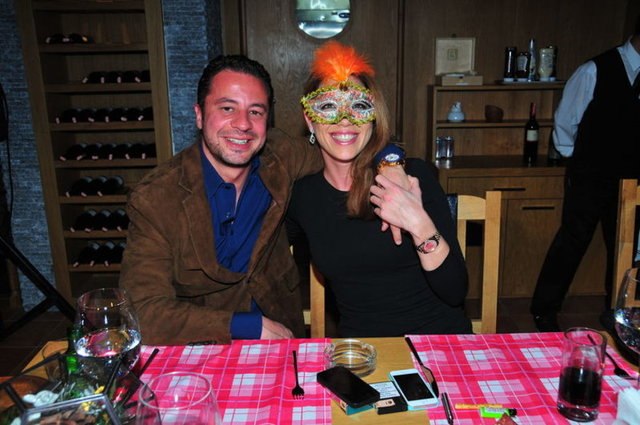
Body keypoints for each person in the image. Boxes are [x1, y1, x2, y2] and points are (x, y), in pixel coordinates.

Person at [119, 54, 408, 346]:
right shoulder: (156, 198)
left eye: (255, 111)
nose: (243, 124)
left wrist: (390, 162)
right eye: (227, 108)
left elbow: (346, 143)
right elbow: (141, 311)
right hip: (198, 348)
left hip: (282, 340)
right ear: (199, 114)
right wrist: (245, 325)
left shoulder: (281, 157)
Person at [286, 41, 472, 337]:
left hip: (437, 343)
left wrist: (418, 222)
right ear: (310, 120)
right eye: (328, 106)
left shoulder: (412, 177)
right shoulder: (303, 197)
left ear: (372, 118)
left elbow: (455, 292)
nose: (344, 119)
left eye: (358, 106)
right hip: (362, 350)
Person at [530, 17, 640, 332]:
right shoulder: (595, 69)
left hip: (633, 178)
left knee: (625, 247)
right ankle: (544, 309)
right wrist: (575, 158)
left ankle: (617, 311)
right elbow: (566, 119)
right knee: (573, 239)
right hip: (592, 173)